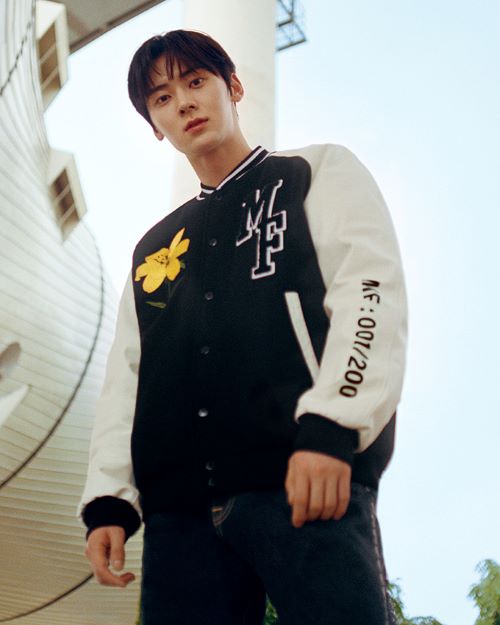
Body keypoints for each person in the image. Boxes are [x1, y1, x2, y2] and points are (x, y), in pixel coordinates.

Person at [79, 28, 408, 625]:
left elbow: (369, 294)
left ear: (233, 86)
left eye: (196, 81)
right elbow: (128, 377)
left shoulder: (315, 172)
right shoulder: (154, 249)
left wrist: (333, 427)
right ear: (156, 126)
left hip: (303, 480)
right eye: (162, 98)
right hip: (181, 518)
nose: (183, 102)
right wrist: (109, 499)